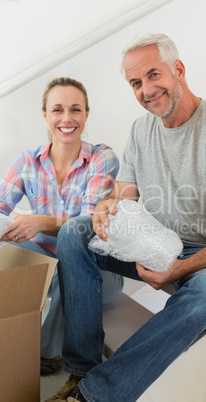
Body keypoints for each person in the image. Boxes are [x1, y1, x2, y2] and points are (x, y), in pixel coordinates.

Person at [48, 34, 206, 402]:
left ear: (178, 69)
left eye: (153, 75)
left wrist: (180, 269)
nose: (146, 90)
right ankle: (81, 366)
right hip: (158, 243)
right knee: (74, 232)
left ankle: (94, 394)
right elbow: (124, 194)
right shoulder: (141, 129)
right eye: (136, 83)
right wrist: (105, 208)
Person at [0, 77, 123, 375]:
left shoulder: (101, 158)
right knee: (11, 253)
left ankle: (47, 352)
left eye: (75, 110)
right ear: (45, 115)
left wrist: (40, 222)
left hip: (97, 267)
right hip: (46, 260)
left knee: (66, 263)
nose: (67, 118)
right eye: (57, 110)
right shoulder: (27, 162)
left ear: (86, 115)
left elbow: (85, 227)